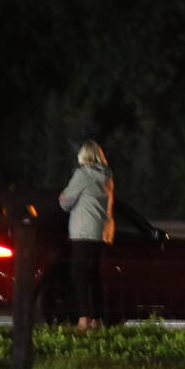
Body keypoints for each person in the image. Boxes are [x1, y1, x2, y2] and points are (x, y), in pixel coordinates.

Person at [58, 140, 115, 333]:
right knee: (94, 275)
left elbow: (65, 202)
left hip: (83, 231)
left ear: (84, 156)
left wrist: (62, 198)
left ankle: (84, 319)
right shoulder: (107, 176)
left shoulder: (82, 174)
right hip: (103, 233)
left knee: (78, 274)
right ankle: (98, 320)